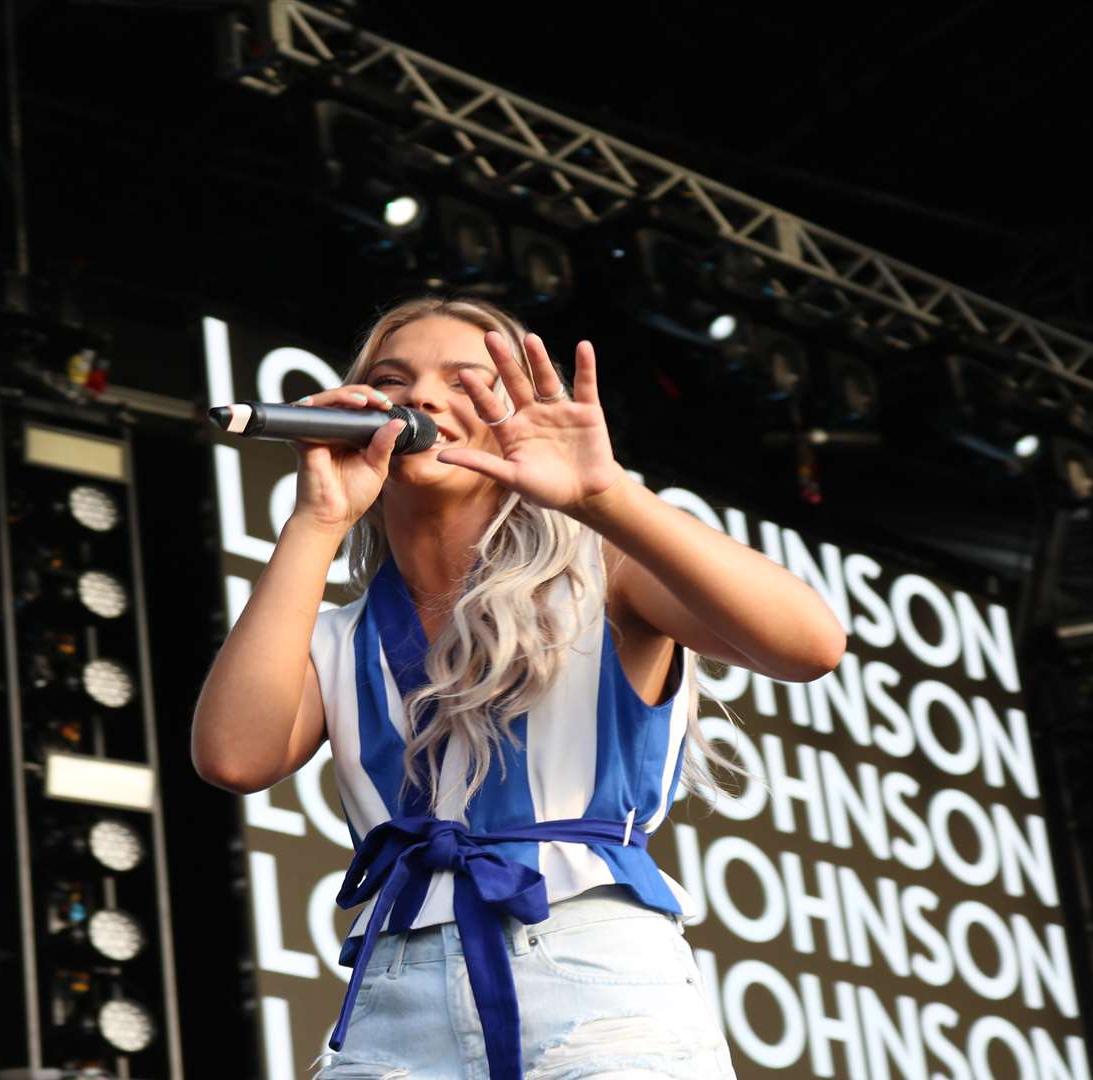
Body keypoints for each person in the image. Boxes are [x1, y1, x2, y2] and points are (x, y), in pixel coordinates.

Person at [192, 295, 847, 1080]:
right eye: (393, 380)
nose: (423, 399)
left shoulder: (607, 576)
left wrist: (607, 498)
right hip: (397, 1001)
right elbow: (233, 758)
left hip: (595, 981)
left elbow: (810, 645)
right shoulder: (336, 638)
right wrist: (318, 519)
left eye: (465, 384)